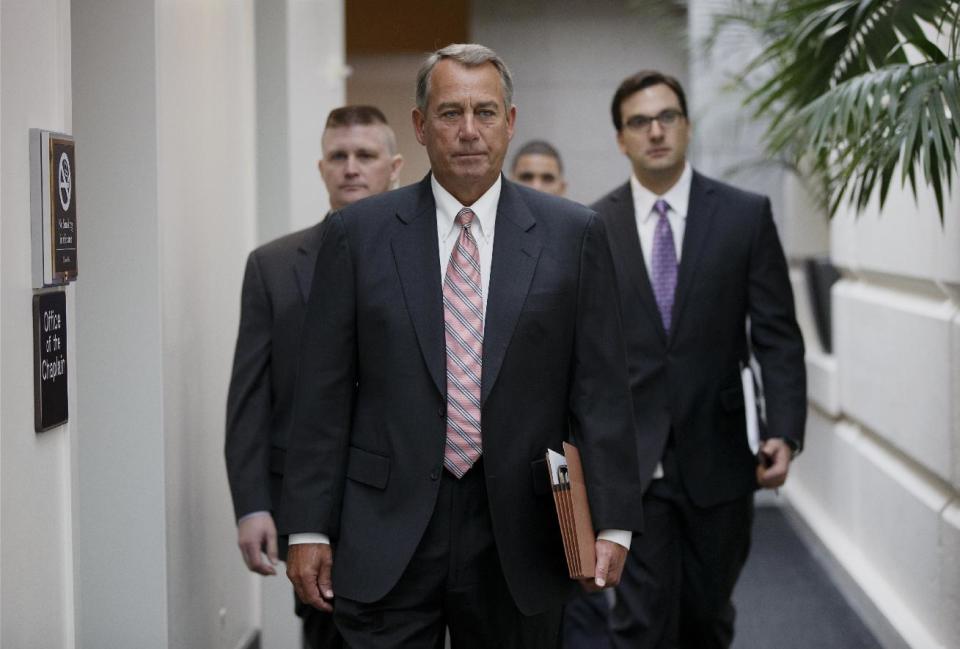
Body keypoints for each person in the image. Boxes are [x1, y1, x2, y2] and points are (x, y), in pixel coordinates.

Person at [280, 43, 644, 649]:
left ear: (511, 121)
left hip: (519, 531)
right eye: (450, 113)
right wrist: (307, 528)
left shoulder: (572, 235)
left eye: (486, 112)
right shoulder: (358, 237)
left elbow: (601, 391)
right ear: (420, 127)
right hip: (385, 525)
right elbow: (322, 395)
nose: (469, 131)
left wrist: (614, 521)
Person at [586, 70, 807, 649]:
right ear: (621, 138)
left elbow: (777, 333)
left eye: (667, 118)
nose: (655, 131)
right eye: (639, 122)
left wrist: (785, 428)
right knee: (638, 621)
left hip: (721, 451)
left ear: (686, 127)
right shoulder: (590, 228)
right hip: (633, 462)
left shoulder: (744, 215)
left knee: (706, 617)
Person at [224, 105, 403, 649]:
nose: (351, 167)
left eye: (365, 156)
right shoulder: (273, 267)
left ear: (393, 167)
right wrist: (253, 503)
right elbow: (249, 397)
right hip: (311, 505)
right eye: (338, 156)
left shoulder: (437, 261)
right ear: (321, 168)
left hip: (408, 500)